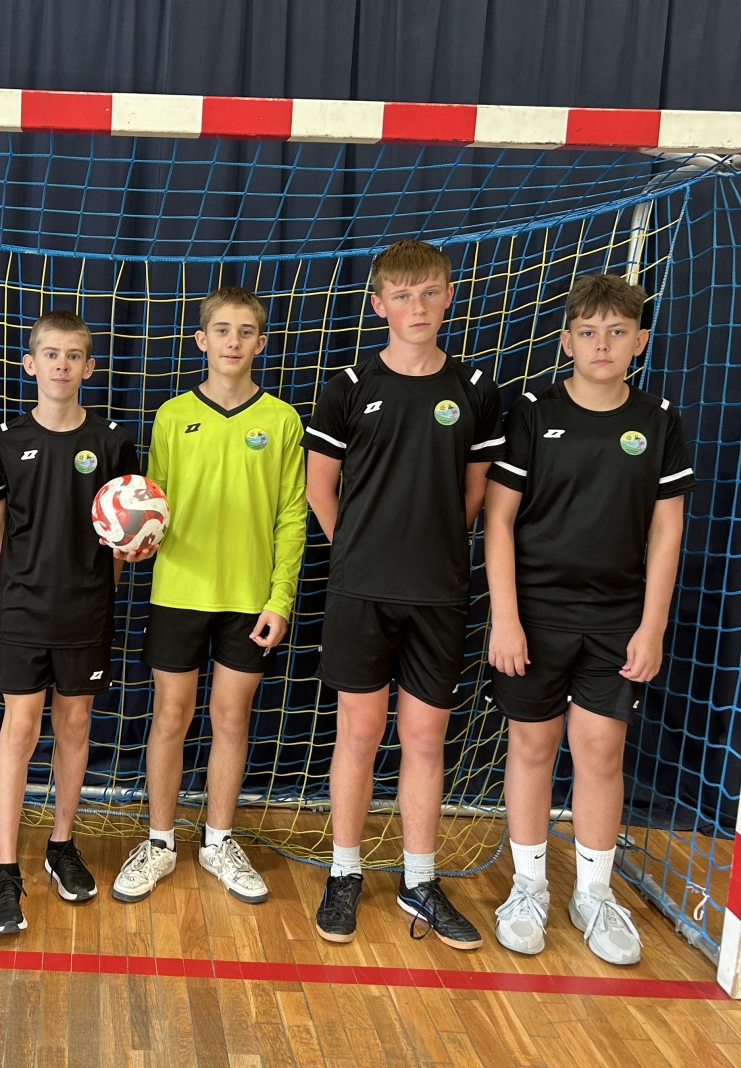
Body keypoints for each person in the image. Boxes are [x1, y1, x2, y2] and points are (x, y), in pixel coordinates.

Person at [484, 273, 694, 966]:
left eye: (617, 332)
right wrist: (506, 618)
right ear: (567, 340)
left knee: (601, 748)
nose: (602, 344)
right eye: (588, 332)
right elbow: (499, 519)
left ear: (639, 341)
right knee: (533, 745)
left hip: (616, 616)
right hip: (536, 612)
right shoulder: (533, 410)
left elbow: (666, 531)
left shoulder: (657, 420)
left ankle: (595, 895)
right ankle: (529, 888)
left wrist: (651, 626)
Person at [305, 239, 503, 949]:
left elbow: (474, 495)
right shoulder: (348, 385)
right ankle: (345, 871)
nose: (416, 307)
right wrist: (357, 552)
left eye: (429, 293)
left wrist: (434, 549)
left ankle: (420, 881)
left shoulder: (475, 388)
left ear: (448, 296)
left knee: (424, 738)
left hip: (438, 594)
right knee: (358, 733)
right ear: (378, 304)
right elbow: (319, 487)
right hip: (361, 591)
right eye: (402, 295)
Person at [111, 286, 307, 906]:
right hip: (179, 592)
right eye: (222, 330)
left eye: (246, 331)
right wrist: (135, 542)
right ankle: (161, 841)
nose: (233, 341)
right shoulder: (172, 415)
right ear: (201, 340)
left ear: (261, 342)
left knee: (231, 718)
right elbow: (153, 503)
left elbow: (292, 515)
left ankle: (218, 841)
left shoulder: (282, 420)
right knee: (171, 716)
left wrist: (280, 599)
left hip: (250, 598)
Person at [0, 311, 141, 935]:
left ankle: (61, 844)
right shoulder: (4, 441)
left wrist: (103, 585)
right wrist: (16, 585)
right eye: (51, 354)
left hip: (87, 609)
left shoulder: (112, 442)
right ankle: (5, 870)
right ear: (30, 364)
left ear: (89, 367)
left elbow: (121, 532)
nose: (62, 365)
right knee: (20, 728)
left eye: (74, 356)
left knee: (74, 724)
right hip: (22, 610)